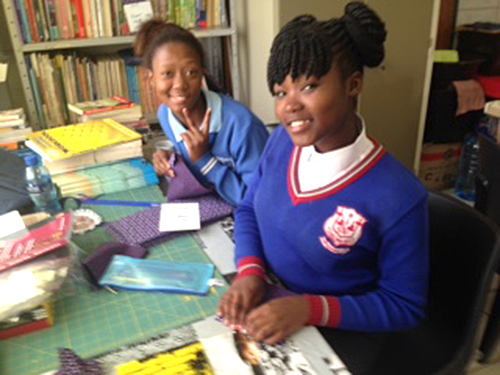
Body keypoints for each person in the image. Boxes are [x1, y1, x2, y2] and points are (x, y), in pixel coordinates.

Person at [218, 2, 429, 373]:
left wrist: (308, 308)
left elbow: (404, 306)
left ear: (353, 84)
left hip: (343, 331)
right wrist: (250, 271)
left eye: (309, 86)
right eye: (281, 92)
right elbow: (249, 208)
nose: (289, 107)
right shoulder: (282, 143)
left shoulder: (398, 196)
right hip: (273, 301)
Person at [135, 20, 269, 206]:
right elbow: (190, 162)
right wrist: (169, 157)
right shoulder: (165, 115)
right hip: (209, 207)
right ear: (151, 79)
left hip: (248, 218)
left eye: (191, 72)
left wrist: (205, 160)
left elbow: (260, 202)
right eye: (167, 73)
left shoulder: (241, 125)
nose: (180, 84)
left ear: (202, 75)